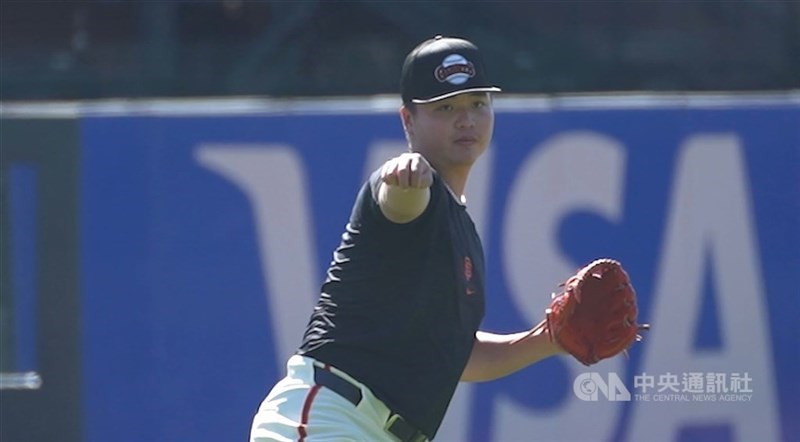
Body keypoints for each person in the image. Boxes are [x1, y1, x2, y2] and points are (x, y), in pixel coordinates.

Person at [250, 35, 563, 442]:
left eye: (477, 104)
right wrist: (403, 178)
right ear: (407, 120)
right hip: (330, 419)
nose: (465, 119)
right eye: (445, 108)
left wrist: (550, 339)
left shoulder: (460, 224)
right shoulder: (417, 190)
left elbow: (455, 356)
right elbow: (399, 199)